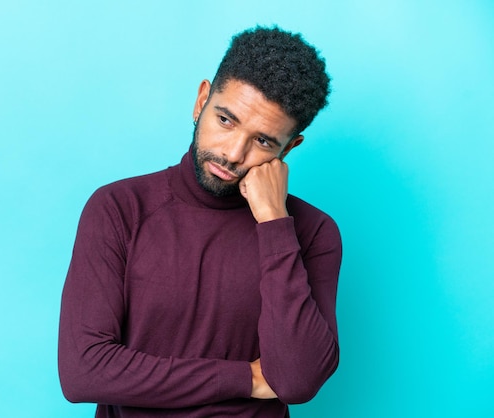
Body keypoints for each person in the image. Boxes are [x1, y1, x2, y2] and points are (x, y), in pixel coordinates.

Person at [58, 25, 342, 418]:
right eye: (226, 120)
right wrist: (244, 378)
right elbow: (82, 372)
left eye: (262, 141)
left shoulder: (312, 233)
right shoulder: (119, 208)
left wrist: (275, 224)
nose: (233, 153)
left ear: (289, 148)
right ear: (201, 100)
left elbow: (296, 380)